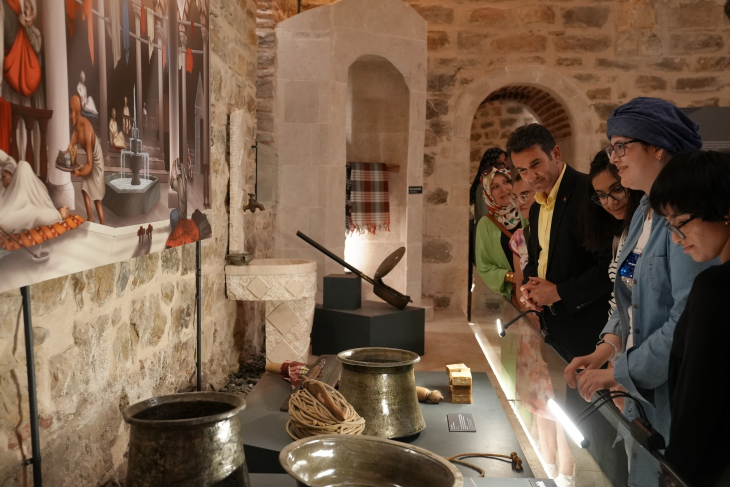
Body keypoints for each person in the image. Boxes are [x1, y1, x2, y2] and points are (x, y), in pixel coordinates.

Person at [563, 98, 714, 486]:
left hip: (670, 393)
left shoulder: (683, 216)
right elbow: (628, 295)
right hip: (640, 392)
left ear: (658, 146)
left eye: (622, 147)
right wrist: (605, 348)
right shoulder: (644, 209)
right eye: (611, 148)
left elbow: (686, 323)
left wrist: (619, 373)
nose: (614, 159)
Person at [649, 150, 730, 487]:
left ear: (723, 211)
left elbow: (699, 403)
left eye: (679, 222)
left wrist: (673, 475)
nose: (676, 238)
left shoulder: (715, 290)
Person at [508, 123, 613, 361]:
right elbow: (535, 259)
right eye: (522, 170)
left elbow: (609, 265)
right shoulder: (535, 207)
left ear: (555, 153)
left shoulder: (589, 192)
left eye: (536, 164)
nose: (530, 177)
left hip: (591, 330)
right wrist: (529, 289)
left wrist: (558, 292)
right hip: (552, 329)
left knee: (594, 398)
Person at [580, 150, 643, 317]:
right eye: (601, 195)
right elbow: (619, 301)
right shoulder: (619, 235)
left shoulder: (649, 228)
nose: (611, 202)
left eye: (617, 189)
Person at [474, 166, 522, 302]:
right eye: (495, 187)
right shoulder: (485, 225)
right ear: (488, 194)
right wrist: (513, 277)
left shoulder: (527, 211)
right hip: (516, 293)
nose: (504, 189)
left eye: (506, 182)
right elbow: (484, 267)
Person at [0, 150, 68, 234]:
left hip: (10, 186)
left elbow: (9, 160)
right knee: (9, 221)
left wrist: (7, 171)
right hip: (4, 201)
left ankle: (48, 211)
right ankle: (54, 215)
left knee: (23, 165)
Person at [67, 94, 105, 224]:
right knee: (84, 188)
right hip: (90, 162)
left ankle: (103, 223)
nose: (69, 116)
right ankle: (90, 218)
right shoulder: (76, 133)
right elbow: (69, 152)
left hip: (96, 160)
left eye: (71, 112)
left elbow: (89, 164)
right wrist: (63, 159)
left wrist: (78, 173)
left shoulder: (86, 127)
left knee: (96, 197)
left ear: (77, 112)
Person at [508, 173, 535, 310]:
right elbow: (519, 282)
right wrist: (527, 311)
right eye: (516, 198)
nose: (519, 203)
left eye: (524, 196)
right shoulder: (519, 238)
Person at [470, 148, 508, 224]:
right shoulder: (483, 187)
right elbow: (486, 217)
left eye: (506, 160)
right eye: (500, 163)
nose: (506, 165)